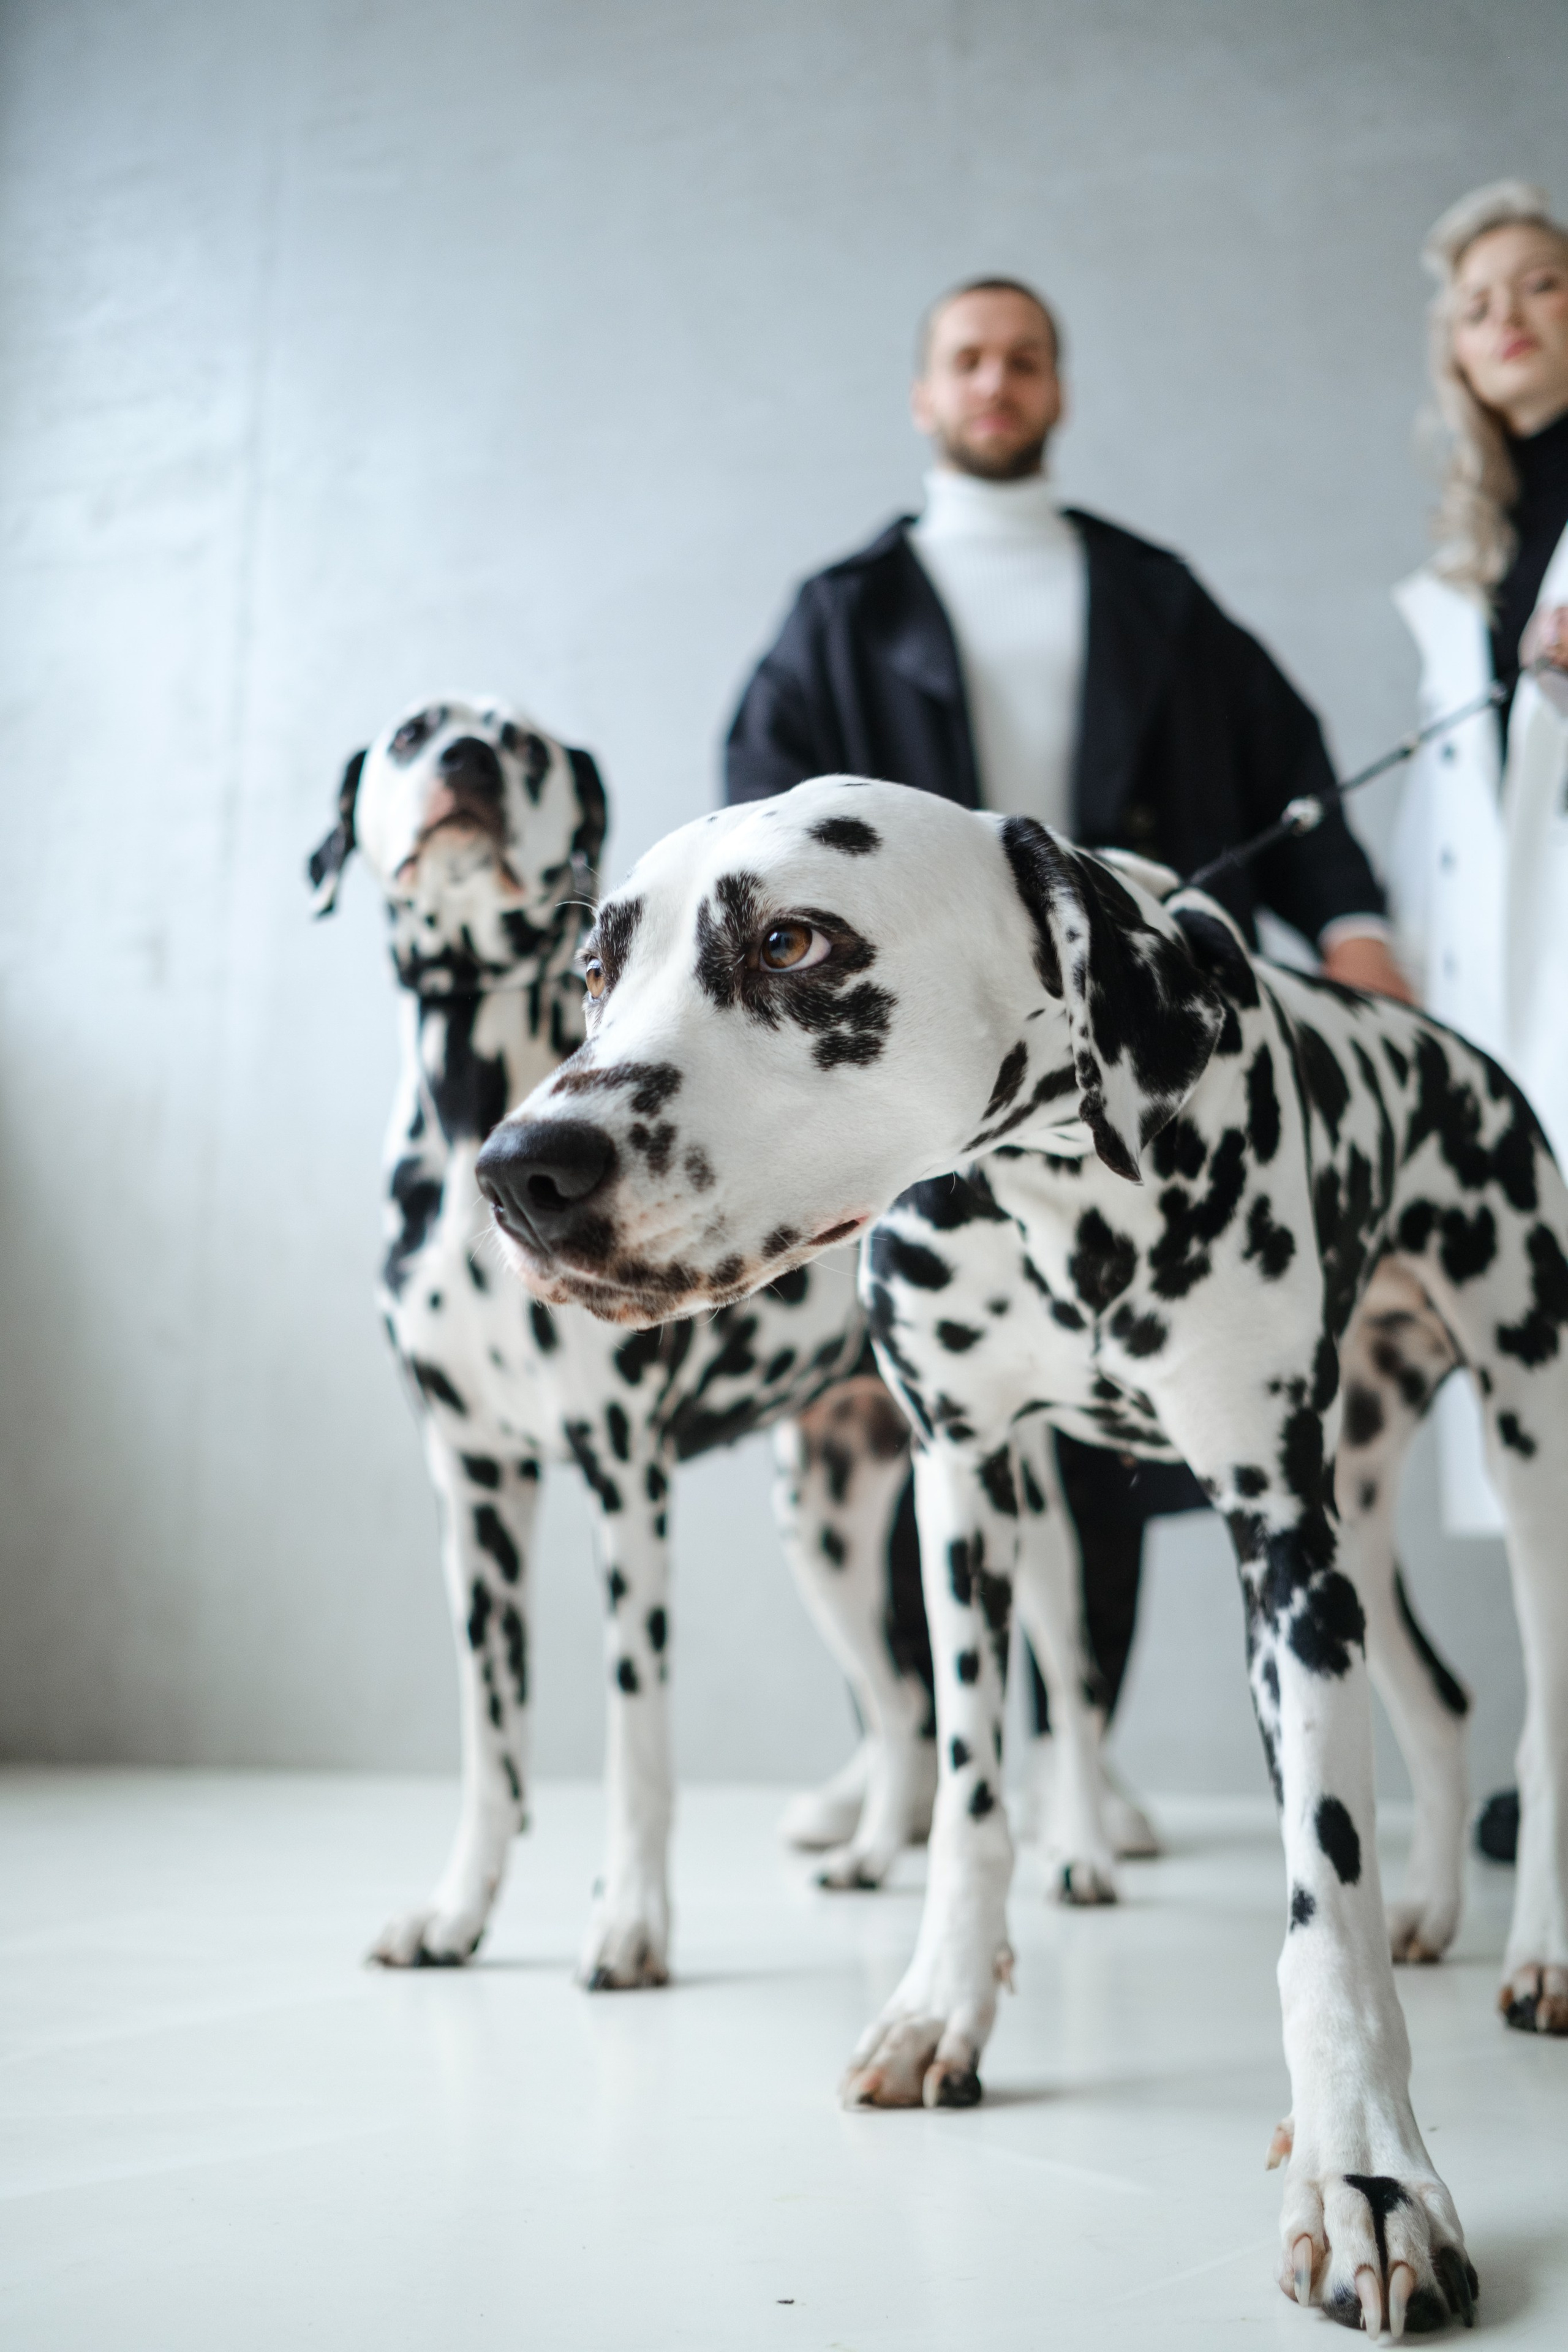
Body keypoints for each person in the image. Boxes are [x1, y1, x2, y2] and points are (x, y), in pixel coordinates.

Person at [726, 277, 1410, 1834]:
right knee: (931, 1406)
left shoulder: (1154, 594)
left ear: (1056, 390)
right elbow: (753, 829)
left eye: (1021, 357)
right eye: (964, 358)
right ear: (923, 394)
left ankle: (1075, 1756)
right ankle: (904, 1748)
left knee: (1116, 1405)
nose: (994, 379)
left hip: (1127, 1062)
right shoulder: (842, 611)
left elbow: (1286, 759)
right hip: (908, 1084)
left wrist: (1353, 928)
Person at [1389, 182, 1568, 1860]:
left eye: (1541, 285)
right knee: (1545, 1397)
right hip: (1515, 1028)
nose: (1504, 317)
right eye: (1475, 302)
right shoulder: (1477, 567)